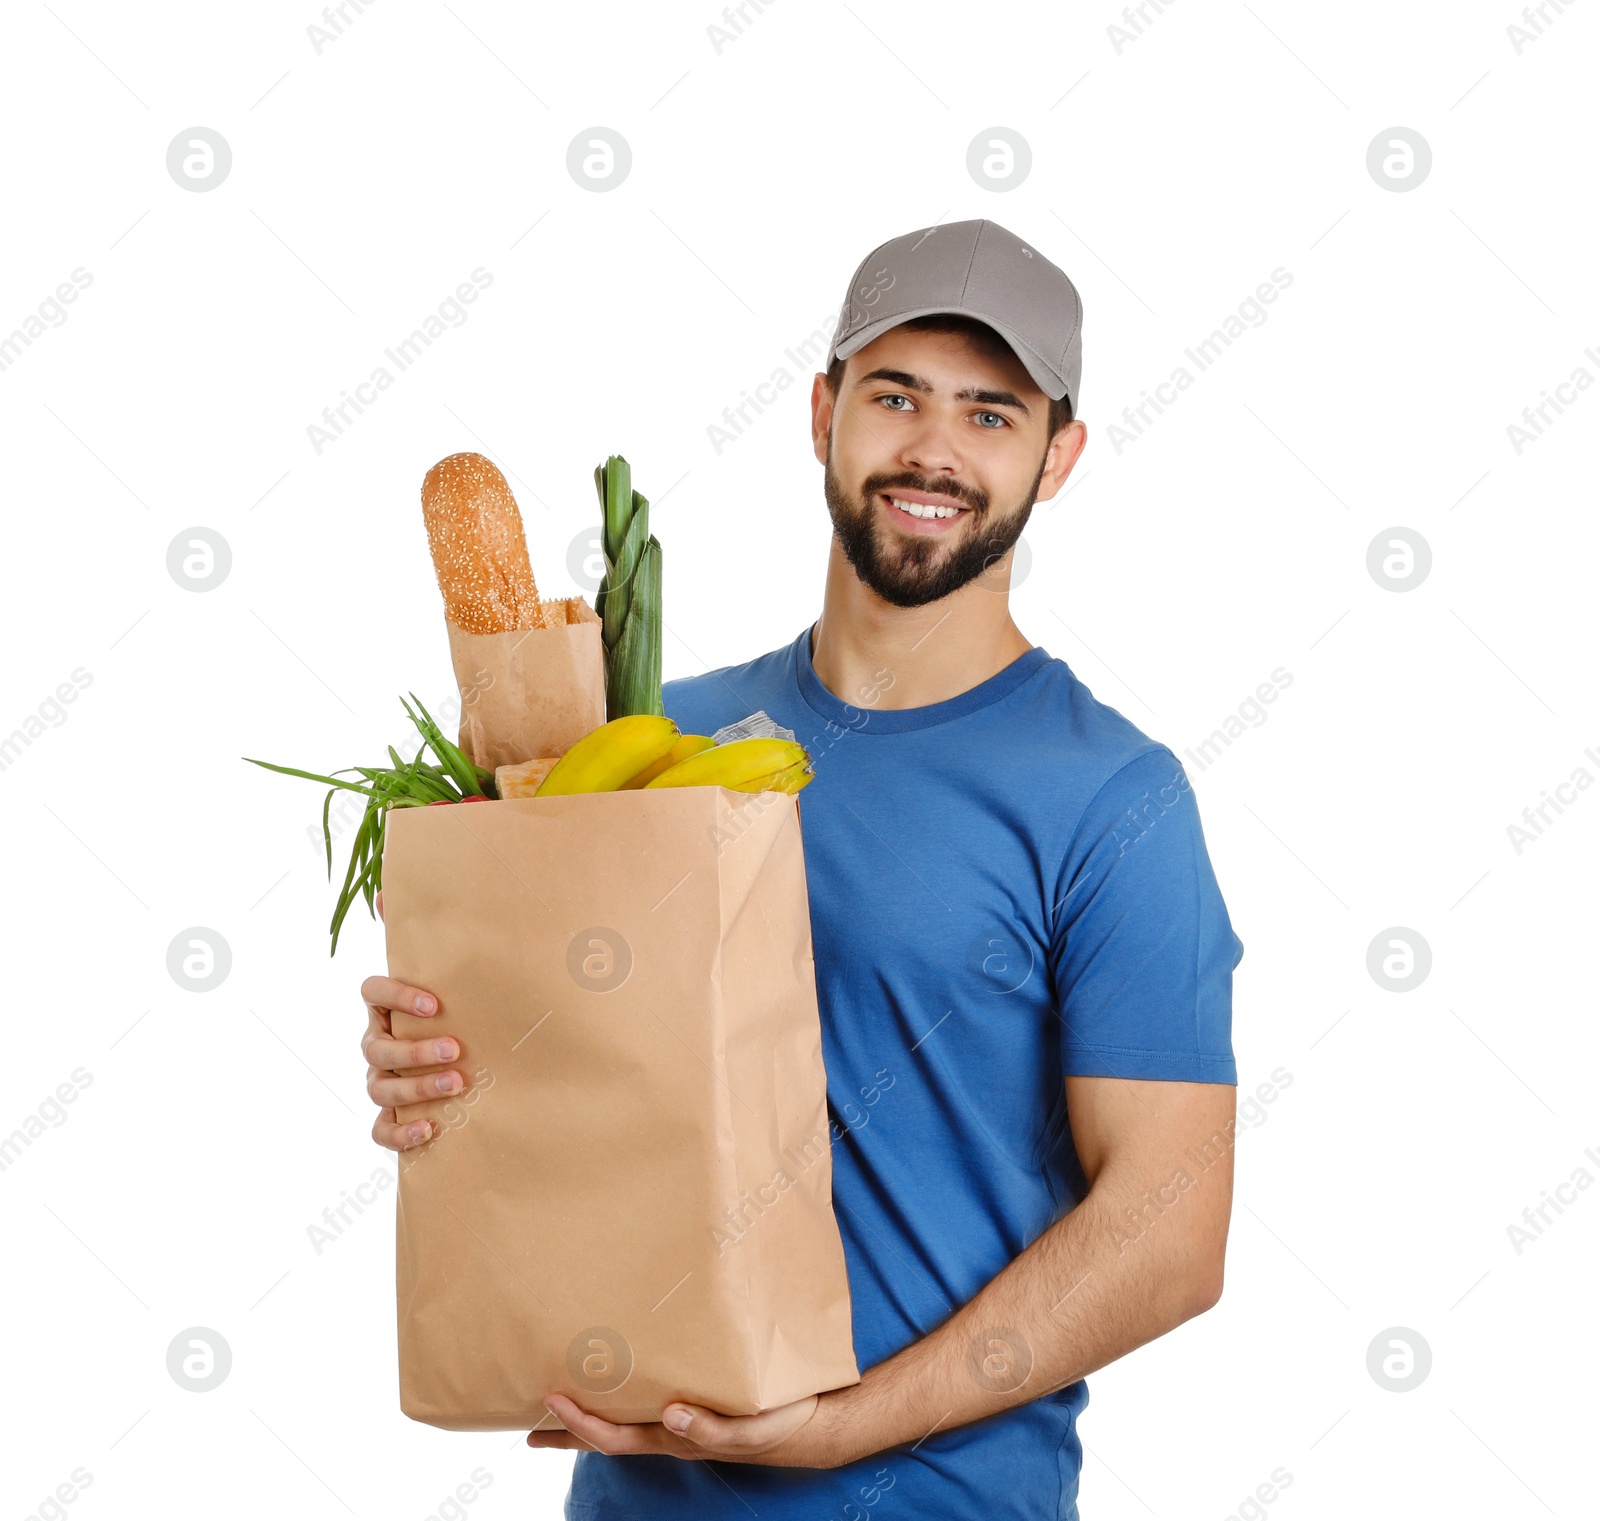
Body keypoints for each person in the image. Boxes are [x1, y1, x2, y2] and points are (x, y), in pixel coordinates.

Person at [360, 218, 1244, 1520]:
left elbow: (1168, 1227)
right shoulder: (652, 741)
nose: (934, 449)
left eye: (991, 413)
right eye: (894, 395)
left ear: (1059, 458)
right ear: (824, 410)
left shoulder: (1113, 798)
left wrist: (844, 1429)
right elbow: (579, 1094)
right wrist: (443, 1055)